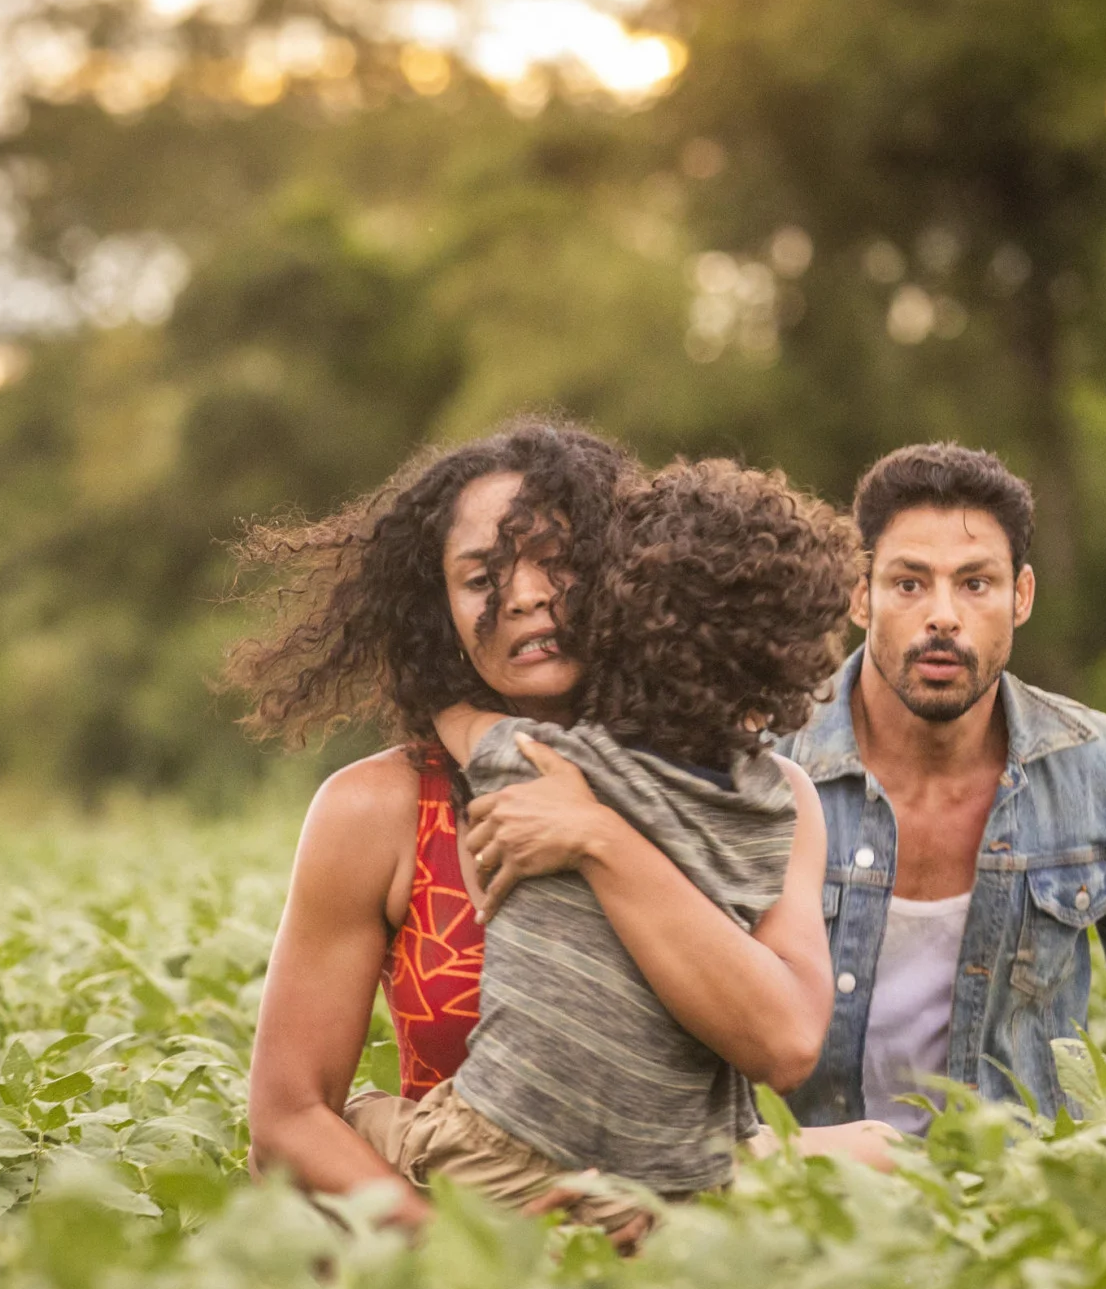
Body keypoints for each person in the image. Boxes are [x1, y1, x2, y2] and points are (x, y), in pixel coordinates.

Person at [231, 420, 840, 1233]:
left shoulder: (760, 796)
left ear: (628, 569)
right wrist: (481, 1253)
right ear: (436, 610)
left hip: (683, 1239)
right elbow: (286, 1120)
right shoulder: (376, 811)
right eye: (481, 578)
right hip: (458, 1225)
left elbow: (786, 1041)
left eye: (557, 563)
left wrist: (600, 837)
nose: (522, 596)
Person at [776, 443, 1106, 1131]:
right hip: (800, 1200)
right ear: (860, 594)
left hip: (1020, 1210)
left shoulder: (1097, 769)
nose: (942, 615)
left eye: (976, 584)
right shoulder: (766, 762)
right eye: (909, 584)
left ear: (1021, 595)